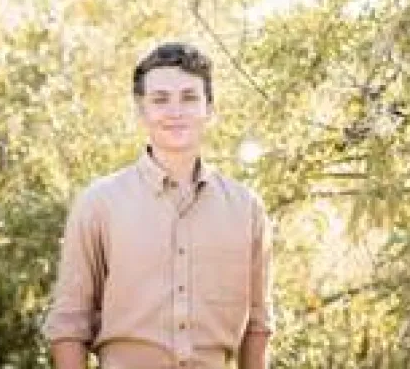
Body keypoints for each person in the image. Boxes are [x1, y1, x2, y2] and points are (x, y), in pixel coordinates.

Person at [43, 42, 275, 368]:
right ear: (142, 111)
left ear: (210, 108)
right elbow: (69, 324)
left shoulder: (246, 209)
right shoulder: (99, 203)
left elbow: (258, 326)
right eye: (160, 99)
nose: (175, 111)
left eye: (189, 98)